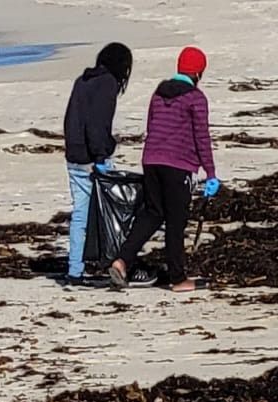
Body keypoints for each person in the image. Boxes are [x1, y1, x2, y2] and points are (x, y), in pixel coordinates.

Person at [110, 47, 219, 293]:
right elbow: (201, 136)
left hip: (151, 160)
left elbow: (151, 125)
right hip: (177, 165)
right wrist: (210, 173)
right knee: (175, 221)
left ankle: (122, 260)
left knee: (152, 213)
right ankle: (178, 279)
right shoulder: (196, 98)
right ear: (199, 72)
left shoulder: (159, 93)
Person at [63, 43, 134, 285]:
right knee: (111, 214)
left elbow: (71, 120)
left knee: (80, 215)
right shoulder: (107, 84)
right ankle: (114, 264)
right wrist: (101, 157)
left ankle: (75, 270)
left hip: (74, 156)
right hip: (93, 160)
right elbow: (98, 124)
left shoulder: (81, 81)